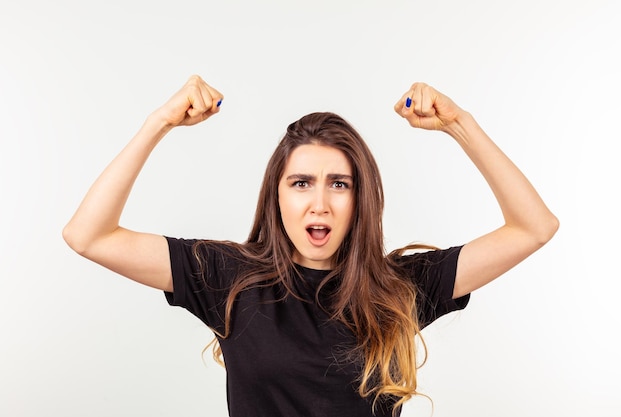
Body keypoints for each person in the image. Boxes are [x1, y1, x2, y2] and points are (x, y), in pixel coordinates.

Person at [62, 75, 559, 417]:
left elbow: (533, 227)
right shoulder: (229, 278)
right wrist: (159, 122)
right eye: (301, 183)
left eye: (339, 184)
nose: (319, 203)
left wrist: (459, 124)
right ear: (276, 195)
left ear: (360, 198)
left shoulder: (400, 287)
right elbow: (89, 236)